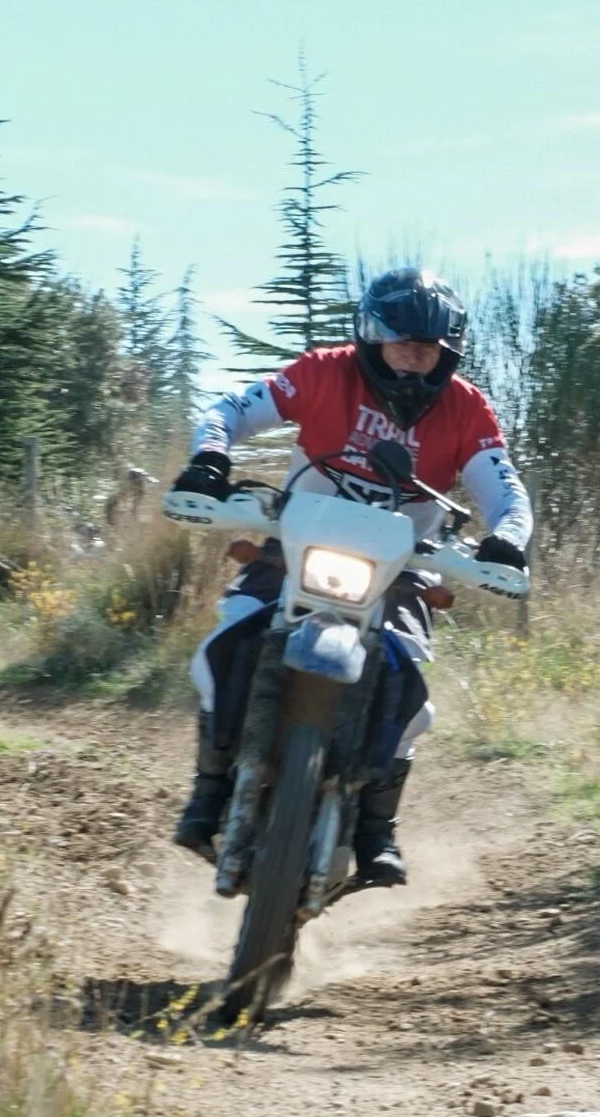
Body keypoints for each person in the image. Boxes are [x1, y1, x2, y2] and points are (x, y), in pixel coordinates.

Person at [168, 267, 533, 888]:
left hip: (402, 567)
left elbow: (506, 490)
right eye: (401, 343)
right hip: (294, 545)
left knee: (409, 683)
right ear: (371, 338)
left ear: (448, 351)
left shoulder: (466, 407)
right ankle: (208, 788)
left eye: (428, 347)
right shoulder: (320, 372)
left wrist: (507, 538)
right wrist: (210, 458)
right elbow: (229, 411)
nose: (414, 358)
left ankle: (375, 828)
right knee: (227, 642)